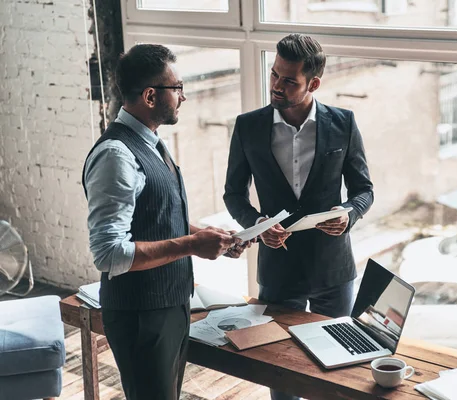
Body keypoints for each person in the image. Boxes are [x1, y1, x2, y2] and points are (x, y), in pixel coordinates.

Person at [82, 44, 249, 400]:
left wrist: (208, 235)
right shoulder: (116, 155)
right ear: (150, 96)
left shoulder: (152, 142)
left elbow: (158, 217)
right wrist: (192, 245)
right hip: (141, 316)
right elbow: (109, 253)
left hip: (169, 306)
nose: (184, 97)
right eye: (178, 88)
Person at [224, 34, 373, 400]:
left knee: (336, 371)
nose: (277, 85)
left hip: (333, 270)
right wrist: (259, 228)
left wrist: (349, 214)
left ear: (314, 83)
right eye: (275, 74)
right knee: (281, 371)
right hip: (278, 270)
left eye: (289, 80)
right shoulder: (248, 126)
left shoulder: (344, 123)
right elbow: (233, 194)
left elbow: (364, 190)